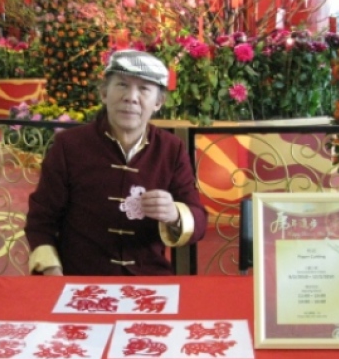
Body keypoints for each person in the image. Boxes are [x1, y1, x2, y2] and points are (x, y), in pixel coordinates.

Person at [24, 49, 208, 276]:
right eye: (121, 85)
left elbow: (198, 219)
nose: (131, 97)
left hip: (148, 278)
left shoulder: (171, 149)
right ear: (103, 93)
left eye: (143, 89)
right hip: (81, 278)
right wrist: (52, 270)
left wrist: (174, 214)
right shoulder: (69, 146)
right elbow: (40, 221)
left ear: (158, 102)